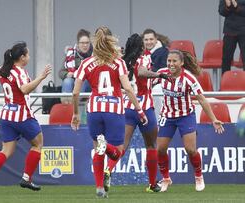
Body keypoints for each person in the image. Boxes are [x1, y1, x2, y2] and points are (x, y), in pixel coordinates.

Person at [71, 26, 148, 198]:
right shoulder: (118, 62)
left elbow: (75, 92)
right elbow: (128, 89)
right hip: (114, 109)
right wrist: (139, 110)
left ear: (94, 43)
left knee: (98, 149)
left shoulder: (86, 63)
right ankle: (108, 160)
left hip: (94, 109)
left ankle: (99, 188)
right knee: (118, 149)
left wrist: (75, 114)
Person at [103, 33, 171, 193]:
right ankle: (153, 184)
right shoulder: (144, 58)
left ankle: (109, 169)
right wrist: (158, 75)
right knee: (151, 146)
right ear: (141, 46)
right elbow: (141, 72)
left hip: (128, 107)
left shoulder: (122, 62)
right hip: (145, 108)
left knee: (122, 146)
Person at [0, 42, 52, 194]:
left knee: (6, 150)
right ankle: (26, 178)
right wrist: (41, 77)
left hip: (7, 115)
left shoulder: (3, 69)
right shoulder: (19, 72)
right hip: (22, 115)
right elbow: (25, 89)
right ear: (21, 57)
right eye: (27, 55)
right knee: (38, 144)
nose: (28, 57)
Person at [154, 50, 225, 192]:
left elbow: (202, 99)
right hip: (167, 116)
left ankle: (199, 176)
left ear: (181, 63)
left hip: (186, 116)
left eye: (174, 61)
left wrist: (214, 119)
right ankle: (166, 178)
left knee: (190, 149)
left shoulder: (189, 78)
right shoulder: (162, 73)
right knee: (160, 149)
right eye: (169, 61)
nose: (171, 64)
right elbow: (146, 78)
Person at [59, 29, 92, 93]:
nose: (85, 45)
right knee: (67, 81)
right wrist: (67, 74)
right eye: (82, 43)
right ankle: (67, 102)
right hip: (73, 81)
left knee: (82, 80)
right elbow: (61, 72)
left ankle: (77, 101)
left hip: (89, 83)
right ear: (78, 43)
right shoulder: (71, 54)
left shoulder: (94, 54)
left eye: (87, 43)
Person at [219, 0, 245, 73]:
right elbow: (221, 11)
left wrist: (236, 6)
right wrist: (228, 6)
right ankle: (224, 82)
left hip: (243, 31)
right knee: (226, 59)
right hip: (229, 31)